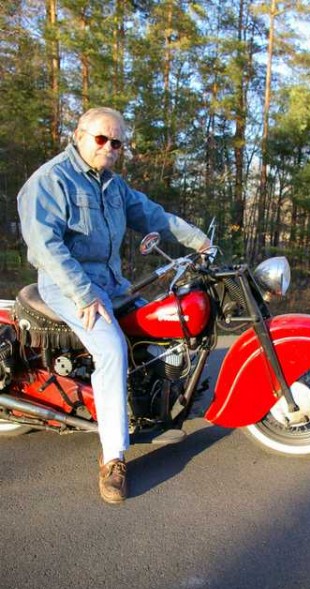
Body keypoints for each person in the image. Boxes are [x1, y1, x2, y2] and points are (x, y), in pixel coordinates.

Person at [17, 107, 210, 504]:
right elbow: (45, 246)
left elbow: (154, 215)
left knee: (155, 329)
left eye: (117, 142)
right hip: (68, 286)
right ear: (79, 135)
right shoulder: (52, 180)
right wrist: (84, 294)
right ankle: (113, 458)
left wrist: (200, 241)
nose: (109, 146)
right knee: (111, 349)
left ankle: (151, 400)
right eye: (102, 138)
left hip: (113, 284)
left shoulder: (113, 186)